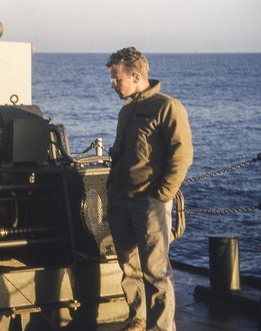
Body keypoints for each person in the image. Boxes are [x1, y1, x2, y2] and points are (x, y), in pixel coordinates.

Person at [105, 47, 193, 331]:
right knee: (129, 268)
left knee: (156, 272)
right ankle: (138, 318)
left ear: (136, 75)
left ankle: (160, 328)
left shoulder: (168, 107)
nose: (113, 84)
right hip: (121, 200)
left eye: (117, 79)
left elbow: (182, 155)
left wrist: (163, 194)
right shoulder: (127, 111)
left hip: (149, 202)